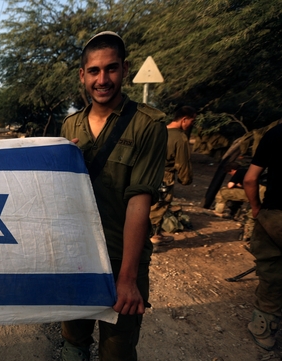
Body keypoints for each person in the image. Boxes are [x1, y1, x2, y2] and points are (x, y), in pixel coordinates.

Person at [59, 31, 167, 361]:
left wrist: (128, 279)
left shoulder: (147, 125)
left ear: (125, 69)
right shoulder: (69, 127)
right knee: (74, 340)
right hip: (78, 258)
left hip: (122, 258)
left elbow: (139, 202)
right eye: (94, 71)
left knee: (117, 349)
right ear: (83, 75)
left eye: (111, 69)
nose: (102, 79)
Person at [243, 123, 282, 351]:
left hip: (275, 214)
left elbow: (250, 179)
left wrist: (257, 208)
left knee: (271, 271)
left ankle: (264, 330)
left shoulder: (275, 133)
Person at [149, 106, 196, 245]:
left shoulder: (157, 131)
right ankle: (152, 239)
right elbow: (182, 163)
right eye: (192, 121)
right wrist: (185, 179)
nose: (191, 125)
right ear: (184, 119)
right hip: (164, 176)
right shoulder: (180, 138)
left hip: (147, 173)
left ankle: (154, 234)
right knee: (159, 207)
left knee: (148, 205)